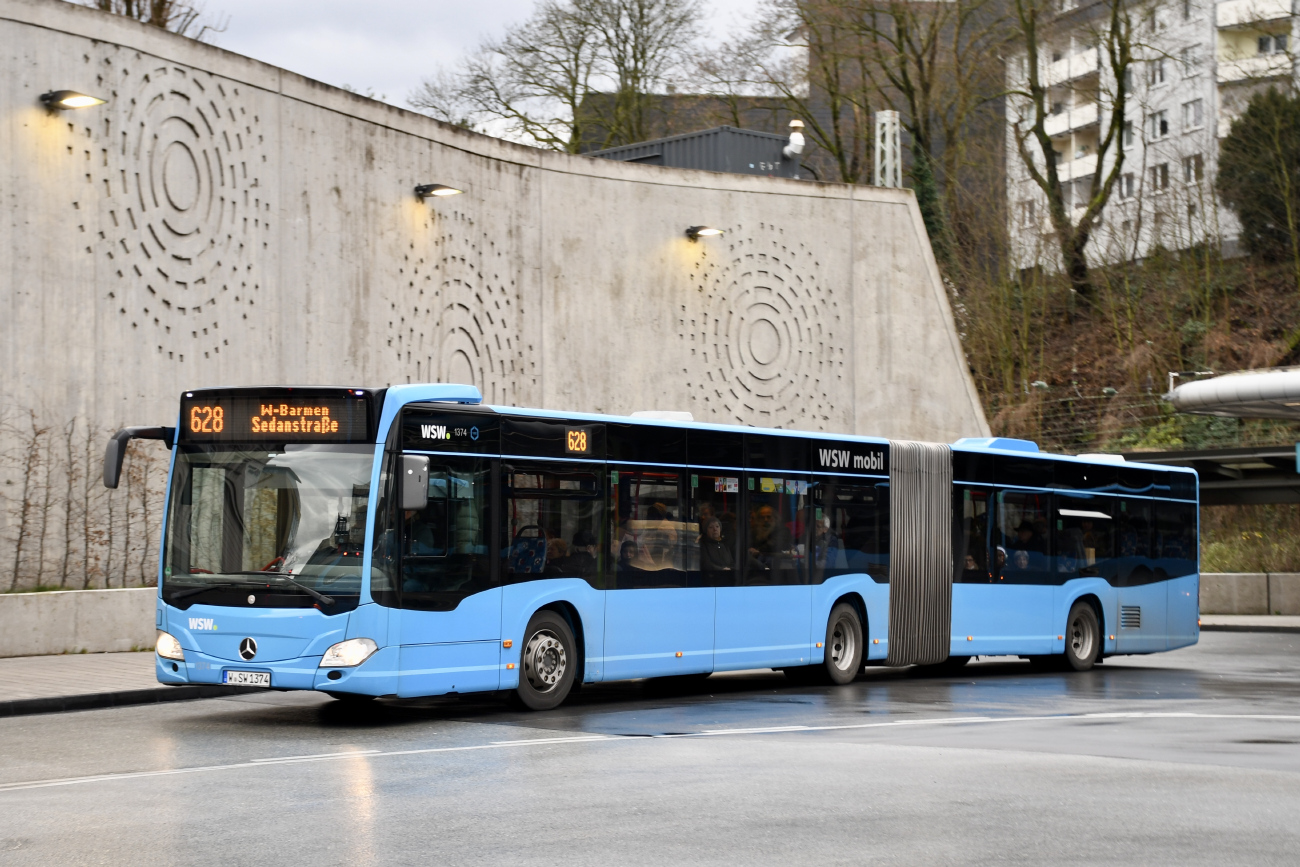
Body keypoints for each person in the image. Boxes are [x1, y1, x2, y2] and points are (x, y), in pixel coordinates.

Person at [699, 517, 734, 581]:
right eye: (711, 527)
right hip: (711, 579)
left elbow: (731, 562)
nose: (715, 529)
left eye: (717, 526)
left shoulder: (724, 545)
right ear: (706, 530)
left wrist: (730, 569)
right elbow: (706, 564)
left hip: (728, 577)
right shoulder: (703, 545)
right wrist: (721, 570)